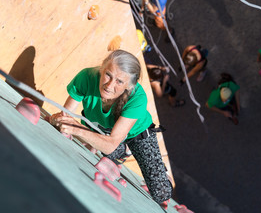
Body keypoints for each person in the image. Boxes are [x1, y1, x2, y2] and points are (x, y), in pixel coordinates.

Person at [49, 50, 172, 204]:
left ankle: (156, 170)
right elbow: (65, 115)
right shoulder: (87, 77)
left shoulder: (138, 98)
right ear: (102, 69)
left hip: (137, 133)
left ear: (129, 86)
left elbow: (109, 146)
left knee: (161, 192)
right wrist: (61, 121)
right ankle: (124, 150)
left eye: (119, 82)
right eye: (108, 75)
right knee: (97, 149)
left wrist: (74, 128)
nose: (109, 85)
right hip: (105, 130)